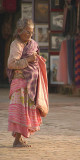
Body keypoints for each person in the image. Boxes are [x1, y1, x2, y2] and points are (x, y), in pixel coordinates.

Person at [7, 18, 49, 147]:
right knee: (20, 111)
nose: (30, 35)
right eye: (27, 32)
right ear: (19, 31)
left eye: (32, 33)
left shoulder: (32, 44)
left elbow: (35, 59)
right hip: (20, 83)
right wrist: (29, 60)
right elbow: (11, 64)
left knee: (25, 111)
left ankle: (19, 139)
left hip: (30, 83)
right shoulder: (16, 45)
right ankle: (17, 140)